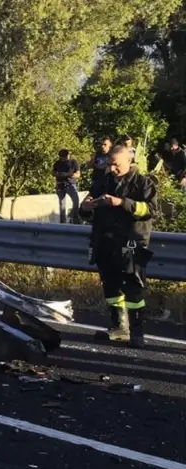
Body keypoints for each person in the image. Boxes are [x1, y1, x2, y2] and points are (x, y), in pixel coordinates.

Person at [79, 144, 158, 348]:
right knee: (111, 286)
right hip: (105, 242)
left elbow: (150, 210)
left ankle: (136, 331)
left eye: (116, 165)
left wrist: (122, 202)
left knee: (133, 288)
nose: (112, 169)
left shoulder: (143, 183)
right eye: (110, 165)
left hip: (132, 243)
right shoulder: (102, 182)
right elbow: (87, 212)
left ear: (129, 162)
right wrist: (85, 207)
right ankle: (119, 327)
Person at [53, 149, 81, 224]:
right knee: (62, 204)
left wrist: (69, 175)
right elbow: (53, 172)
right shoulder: (57, 163)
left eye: (67, 155)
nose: (67, 157)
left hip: (70, 184)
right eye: (64, 156)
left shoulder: (73, 162)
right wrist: (59, 174)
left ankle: (75, 217)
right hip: (60, 184)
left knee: (76, 201)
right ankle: (63, 222)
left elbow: (78, 174)